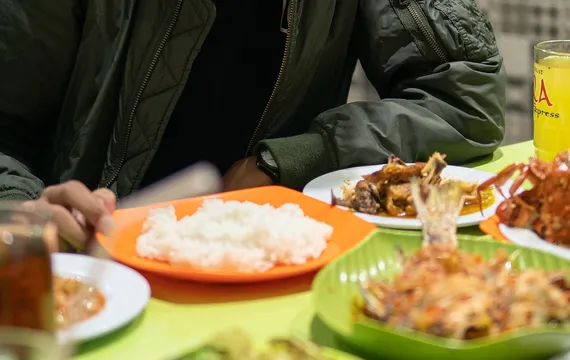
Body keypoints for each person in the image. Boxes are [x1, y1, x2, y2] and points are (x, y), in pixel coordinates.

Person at [0, 0, 506, 251]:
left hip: (261, 263)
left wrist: (294, 158)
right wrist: (18, 210)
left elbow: (463, 97)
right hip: (81, 267)